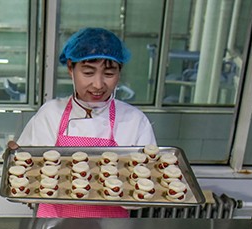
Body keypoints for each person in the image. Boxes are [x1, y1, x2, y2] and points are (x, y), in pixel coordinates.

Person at [15, 27, 157, 218]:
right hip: (52, 226)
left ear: (120, 71)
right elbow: (28, 182)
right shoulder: (50, 114)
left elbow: (144, 190)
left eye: (109, 74)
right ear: (70, 68)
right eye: (88, 73)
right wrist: (16, 165)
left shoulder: (134, 121)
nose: (98, 85)